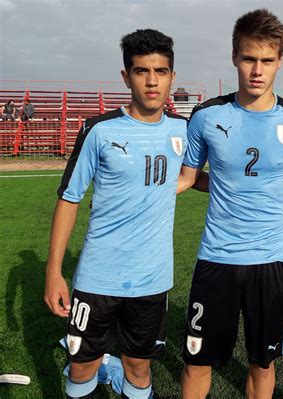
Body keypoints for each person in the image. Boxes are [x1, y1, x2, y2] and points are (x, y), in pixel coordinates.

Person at [177, 9, 283, 399]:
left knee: (262, 363)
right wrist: (134, 191)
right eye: (249, 58)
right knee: (197, 362)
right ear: (235, 57)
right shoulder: (206, 116)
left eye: (267, 60)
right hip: (216, 260)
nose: (257, 70)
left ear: (280, 62)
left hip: (272, 264)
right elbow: (187, 179)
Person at [43, 28, 187, 399]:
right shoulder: (99, 131)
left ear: (172, 75)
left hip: (152, 280)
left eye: (160, 71)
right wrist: (53, 272)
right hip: (96, 279)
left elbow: (191, 176)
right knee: (82, 365)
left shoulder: (183, 131)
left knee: (138, 368)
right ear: (126, 77)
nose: (152, 81)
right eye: (141, 71)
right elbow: (69, 199)